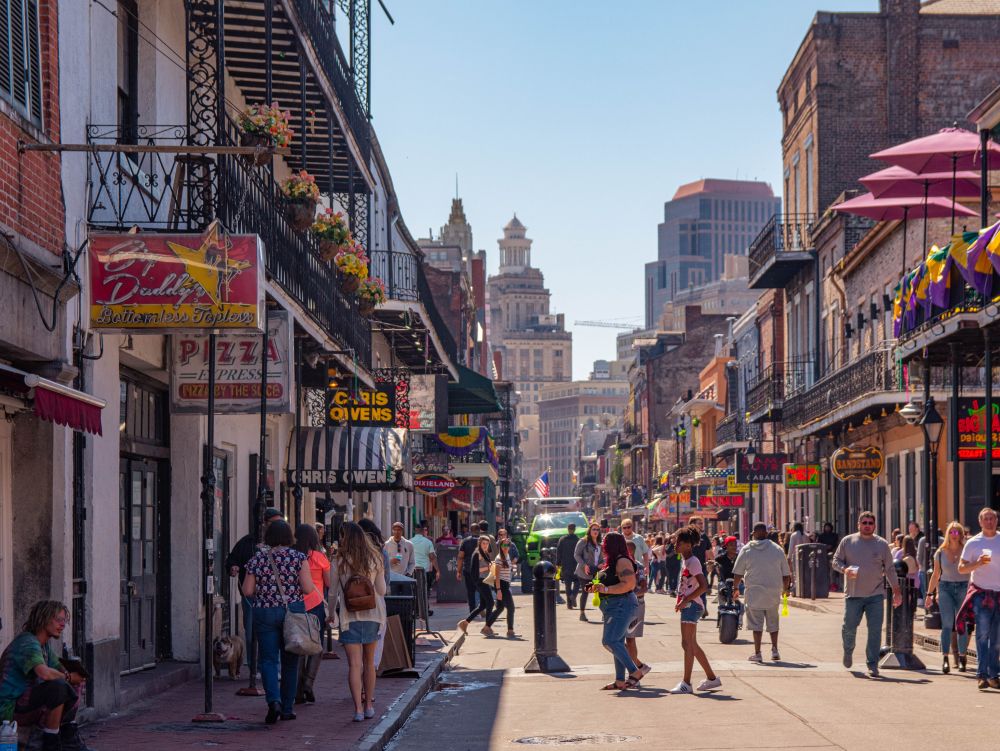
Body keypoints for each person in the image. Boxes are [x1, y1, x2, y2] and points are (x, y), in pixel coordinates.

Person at [242, 519, 316, 724]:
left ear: (269, 537)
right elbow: (309, 588)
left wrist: (265, 591)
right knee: (291, 661)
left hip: (264, 612)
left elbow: (247, 591)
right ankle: (287, 708)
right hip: (292, 611)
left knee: (268, 660)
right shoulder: (298, 558)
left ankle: (273, 701)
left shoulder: (258, 559)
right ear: (289, 537)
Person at [0, 601, 86, 751]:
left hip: (26, 703)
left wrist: (74, 675)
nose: (63, 625)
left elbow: (59, 668)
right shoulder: (27, 643)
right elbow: (44, 673)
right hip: (10, 708)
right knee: (58, 687)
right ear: (44, 619)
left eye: (64, 621)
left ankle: (68, 736)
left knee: (68, 684)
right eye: (59, 620)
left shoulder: (43, 645)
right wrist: (68, 677)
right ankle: (50, 743)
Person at [832, 511, 902, 678]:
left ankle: (872, 664)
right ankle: (848, 650)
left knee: (875, 630)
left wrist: (897, 592)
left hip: (875, 595)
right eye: (864, 523)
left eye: (870, 523)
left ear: (875, 526)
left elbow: (890, 569)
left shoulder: (882, 544)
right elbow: (836, 561)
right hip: (853, 595)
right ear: (859, 525)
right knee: (849, 627)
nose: (867, 525)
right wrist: (844, 569)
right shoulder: (848, 541)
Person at [329, 522, 387, 722]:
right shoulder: (375, 557)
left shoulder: (339, 560)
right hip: (372, 615)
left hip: (349, 616)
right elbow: (382, 590)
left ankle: (358, 710)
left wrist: (330, 613)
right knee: (369, 663)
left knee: (354, 665)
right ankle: (369, 705)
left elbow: (333, 591)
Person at [585, 531, 648, 691]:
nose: (602, 545)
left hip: (621, 605)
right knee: (617, 642)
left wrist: (605, 588)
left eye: (605, 543)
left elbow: (629, 584)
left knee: (610, 641)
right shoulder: (611, 563)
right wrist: (593, 586)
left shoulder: (622, 561)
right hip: (613, 607)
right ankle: (620, 681)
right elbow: (605, 582)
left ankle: (635, 671)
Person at [225, 507, 284, 667]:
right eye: (274, 523)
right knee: (251, 633)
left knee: (274, 633)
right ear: (264, 523)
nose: (277, 526)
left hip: (274, 597)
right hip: (250, 596)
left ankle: (270, 663)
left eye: (280, 523)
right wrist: (233, 567)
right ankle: (254, 665)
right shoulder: (247, 542)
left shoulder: (282, 544)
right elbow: (232, 559)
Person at [671, 525, 721, 694]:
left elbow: (703, 586)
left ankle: (686, 683)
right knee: (691, 644)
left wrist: (685, 600)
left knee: (687, 644)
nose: (675, 545)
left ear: (688, 545)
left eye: (678, 542)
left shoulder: (693, 561)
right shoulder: (686, 560)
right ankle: (712, 679)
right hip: (689, 605)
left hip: (692, 606)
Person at [733, 523, 791, 662]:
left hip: (754, 593)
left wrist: (735, 588)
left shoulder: (747, 549)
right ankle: (775, 650)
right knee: (773, 623)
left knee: (756, 625)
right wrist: (785, 589)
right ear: (766, 533)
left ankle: (758, 653)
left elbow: (738, 573)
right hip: (773, 593)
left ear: (754, 533)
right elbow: (786, 574)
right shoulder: (777, 549)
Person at [957, 507, 1000, 690]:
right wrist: (978, 564)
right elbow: (961, 568)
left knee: (997, 639)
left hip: (999, 593)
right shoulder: (973, 543)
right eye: (986, 519)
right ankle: (982, 675)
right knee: (982, 635)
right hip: (981, 593)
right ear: (980, 522)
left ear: (996, 521)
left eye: (992, 518)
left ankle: (993, 674)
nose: (989, 522)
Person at [294, 523, 331, 705]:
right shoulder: (319, 557)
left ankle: (298, 689)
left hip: (297, 605)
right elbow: (329, 582)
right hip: (316, 605)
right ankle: (308, 683)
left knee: (299, 645)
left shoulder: (293, 557)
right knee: (316, 646)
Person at [926, 521, 970, 674]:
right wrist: (930, 594)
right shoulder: (940, 552)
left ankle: (962, 657)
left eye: (957, 532)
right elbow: (936, 574)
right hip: (945, 588)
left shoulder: (966, 550)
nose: (954, 534)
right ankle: (945, 658)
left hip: (963, 587)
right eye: (951, 532)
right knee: (946, 624)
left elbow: (972, 571)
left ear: (961, 534)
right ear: (947, 534)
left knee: (961, 624)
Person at [457, 536, 497, 636]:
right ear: (479, 543)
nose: (485, 545)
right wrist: (488, 567)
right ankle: (487, 628)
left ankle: (465, 623)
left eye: (487, 544)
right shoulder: (477, 554)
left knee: (483, 605)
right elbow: (475, 571)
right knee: (490, 603)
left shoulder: (484, 552)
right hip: (480, 581)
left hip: (485, 580)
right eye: (483, 543)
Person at [625, 540, 651, 681]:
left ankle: (634, 672)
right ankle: (639, 666)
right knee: (615, 641)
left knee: (630, 640)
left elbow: (644, 588)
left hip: (636, 606)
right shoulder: (620, 565)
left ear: (632, 552)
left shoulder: (638, 567)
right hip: (623, 606)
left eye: (626, 551)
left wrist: (631, 595)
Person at [487, 536, 517, 638]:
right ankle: (510, 630)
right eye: (504, 545)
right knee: (511, 608)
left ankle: (486, 627)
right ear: (500, 546)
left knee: (500, 608)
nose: (506, 547)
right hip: (502, 585)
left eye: (508, 545)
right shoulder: (499, 558)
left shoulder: (507, 555)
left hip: (505, 584)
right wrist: (499, 590)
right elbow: (497, 576)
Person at [574, 523, 602, 622]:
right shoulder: (583, 541)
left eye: (598, 530)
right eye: (594, 529)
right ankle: (582, 613)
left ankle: (604, 613)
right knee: (586, 591)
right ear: (590, 531)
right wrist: (584, 565)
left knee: (601, 591)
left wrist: (601, 564)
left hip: (596, 571)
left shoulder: (599, 544)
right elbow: (577, 555)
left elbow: (601, 558)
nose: (596, 531)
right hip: (584, 571)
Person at [409, 521, 439, 614]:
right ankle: (424, 610)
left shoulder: (409, 542)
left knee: (414, 591)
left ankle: (416, 610)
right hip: (424, 571)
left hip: (412, 571)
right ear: (423, 531)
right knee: (425, 591)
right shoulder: (428, 542)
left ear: (415, 531)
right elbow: (432, 558)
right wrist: (438, 570)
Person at [456, 527, 482, 615]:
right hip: (481, 570)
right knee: (482, 590)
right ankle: (482, 608)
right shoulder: (484, 541)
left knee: (471, 592)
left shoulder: (465, 541)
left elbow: (460, 557)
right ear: (479, 530)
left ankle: (472, 611)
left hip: (468, 570)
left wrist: (458, 571)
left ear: (470, 530)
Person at [556, 523, 581, 609]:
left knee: (567, 585)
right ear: (574, 529)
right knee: (577, 582)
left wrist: (558, 563)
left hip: (565, 565)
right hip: (576, 565)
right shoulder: (578, 540)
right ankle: (573, 595)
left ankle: (569, 605)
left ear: (568, 529)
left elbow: (558, 552)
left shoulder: (562, 540)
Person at [620, 519, 649, 586]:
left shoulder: (639, 538)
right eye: (624, 527)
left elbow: (645, 553)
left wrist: (647, 567)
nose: (627, 529)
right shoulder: (619, 539)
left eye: (628, 527)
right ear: (622, 528)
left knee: (640, 590)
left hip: (638, 569)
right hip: (624, 570)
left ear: (632, 527)